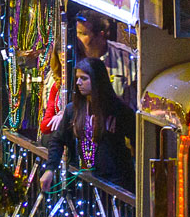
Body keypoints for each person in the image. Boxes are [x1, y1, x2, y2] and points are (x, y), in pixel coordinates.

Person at [43, 57, 137, 189]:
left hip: (116, 185)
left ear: (97, 80)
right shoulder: (73, 109)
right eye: (77, 78)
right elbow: (57, 140)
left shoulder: (118, 110)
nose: (79, 82)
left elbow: (137, 141)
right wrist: (50, 170)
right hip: (86, 182)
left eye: (84, 78)